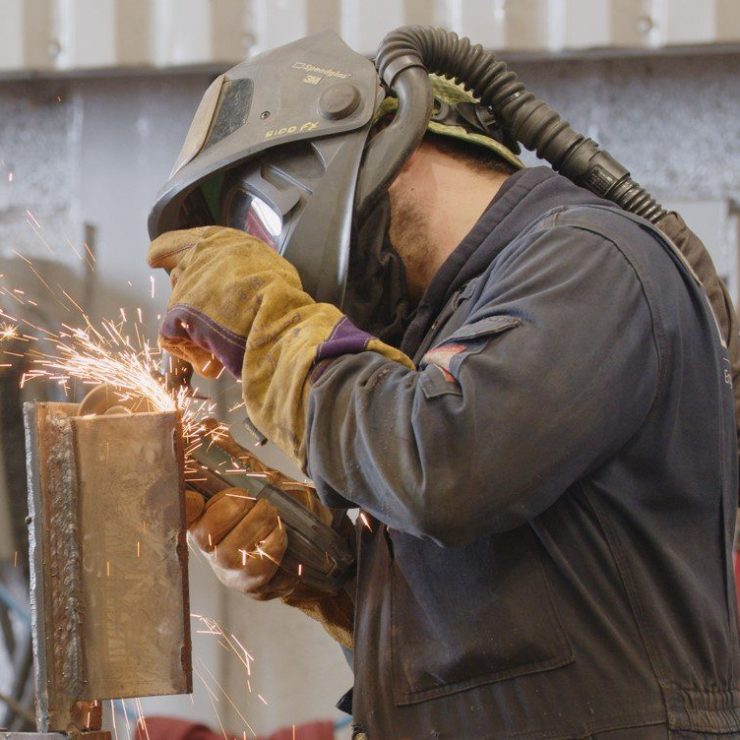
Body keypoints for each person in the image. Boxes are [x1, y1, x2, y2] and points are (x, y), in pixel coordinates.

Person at [147, 74, 740, 738]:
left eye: (256, 229)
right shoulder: (442, 333)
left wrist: (267, 321)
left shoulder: (588, 260)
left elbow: (445, 468)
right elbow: (508, 622)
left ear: (374, 156)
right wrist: (324, 567)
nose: (269, 264)